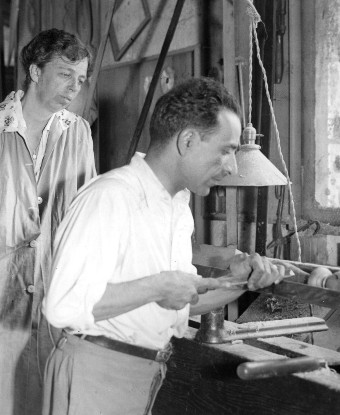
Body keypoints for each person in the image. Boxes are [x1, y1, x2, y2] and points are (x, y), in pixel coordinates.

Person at [42, 77, 286, 415]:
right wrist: (157, 287)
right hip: (96, 369)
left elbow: (179, 300)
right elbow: (62, 306)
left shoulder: (175, 207)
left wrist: (240, 282)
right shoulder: (111, 197)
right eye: (226, 150)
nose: (232, 167)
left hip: (141, 371)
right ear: (187, 140)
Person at [0, 29, 96, 415]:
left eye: (81, 79)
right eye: (64, 74)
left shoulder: (79, 134)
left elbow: (84, 217)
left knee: (44, 401)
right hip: (2, 291)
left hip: (53, 293)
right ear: (35, 72)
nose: (74, 87)